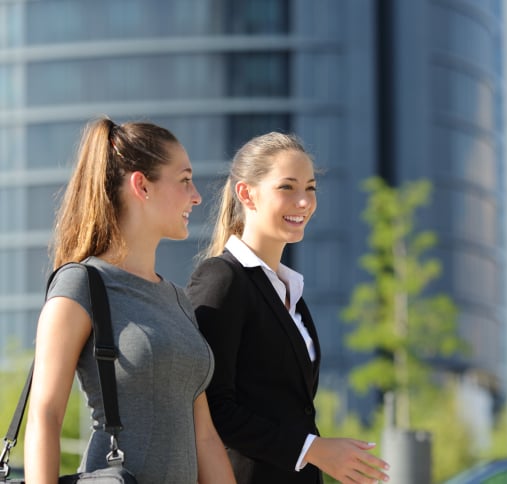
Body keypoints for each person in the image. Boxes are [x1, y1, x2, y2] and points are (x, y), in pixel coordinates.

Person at [24, 117, 236, 484]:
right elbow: (46, 415)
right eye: (184, 180)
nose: (197, 195)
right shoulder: (81, 284)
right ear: (142, 185)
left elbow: (204, 437)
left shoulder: (178, 300)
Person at [186, 132, 390, 484]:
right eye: (287, 188)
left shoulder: (290, 291)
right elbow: (210, 408)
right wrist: (313, 449)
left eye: (310, 188)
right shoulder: (222, 279)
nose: (303, 202)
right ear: (247, 194)